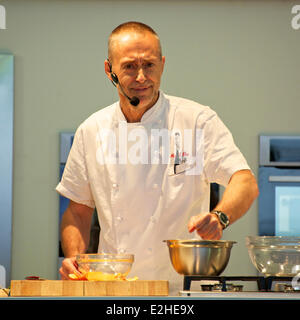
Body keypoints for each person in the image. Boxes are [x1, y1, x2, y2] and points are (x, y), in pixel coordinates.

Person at [56, 21, 259, 294]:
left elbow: (244, 181)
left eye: (149, 65)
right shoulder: (92, 130)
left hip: (183, 291)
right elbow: (78, 211)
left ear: (162, 65)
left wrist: (220, 217)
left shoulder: (196, 121)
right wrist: (73, 259)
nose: (141, 77)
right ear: (109, 70)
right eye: (129, 66)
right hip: (113, 290)